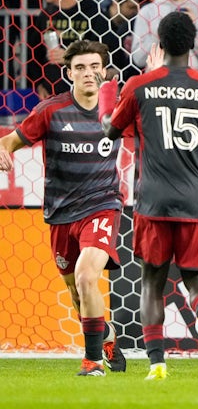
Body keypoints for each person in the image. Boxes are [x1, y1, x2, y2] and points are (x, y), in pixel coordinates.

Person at [102, 11, 198, 380]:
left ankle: (157, 363)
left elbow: (110, 131)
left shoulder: (140, 86)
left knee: (151, 283)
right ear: (194, 45)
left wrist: (105, 99)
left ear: (158, 44)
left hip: (152, 200)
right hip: (195, 200)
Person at [0, 40, 126, 376]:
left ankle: (92, 362)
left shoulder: (119, 109)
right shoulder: (51, 111)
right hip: (61, 213)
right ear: (68, 73)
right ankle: (106, 335)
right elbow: (8, 141)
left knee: (87, 277)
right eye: (81, 68)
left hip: (103, 206)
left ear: (105, 71)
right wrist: (4, 150)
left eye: (95, 67)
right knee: (75, 290)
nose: (89, 74)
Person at [26, 0, 109, 99]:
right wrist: (39, 84)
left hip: (87, 95)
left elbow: (107, 52)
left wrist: (73, 57)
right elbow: (33, 54)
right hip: (52, 96)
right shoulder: (45, 16)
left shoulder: (93, 14)